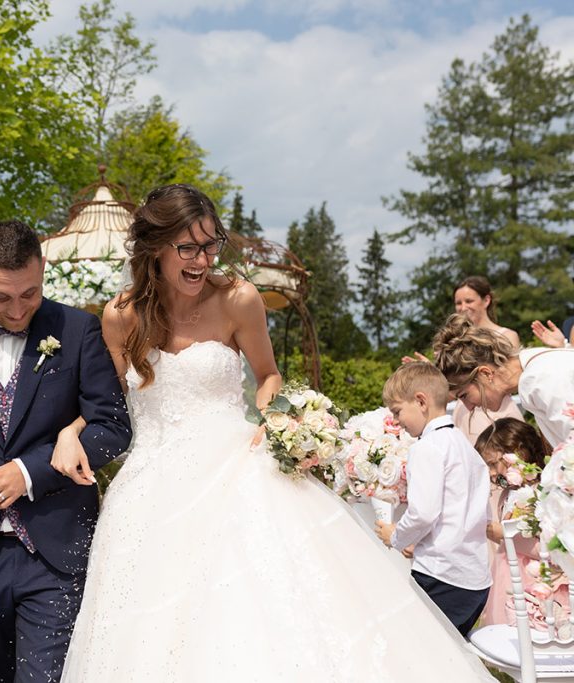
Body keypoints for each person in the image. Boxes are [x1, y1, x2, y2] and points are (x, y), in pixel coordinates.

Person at [57, 184, 494, 681]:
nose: (202, 259)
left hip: (236, 465)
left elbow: (267, 376)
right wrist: (72, 431)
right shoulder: (120, 316)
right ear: (154, 248)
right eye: (188, 248)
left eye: (211, 245)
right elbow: (107, 403)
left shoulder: (238, 300)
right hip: (151, 489)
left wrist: (273, 420)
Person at [0, 220, 132, 682]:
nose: (17, 310)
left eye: (30, 294)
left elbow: (114, 426)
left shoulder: (78, 331)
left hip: (55, 554)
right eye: (1, 297)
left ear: (42, 270)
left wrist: (30, 472)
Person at [375, 362, 492, 637]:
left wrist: (396, 536)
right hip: (475, 580)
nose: (396, 421)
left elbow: (424, 513)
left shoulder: (427, 448)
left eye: (397, 411)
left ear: (421, 401)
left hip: (441, 576)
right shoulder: (463, 445)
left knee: (420, 649)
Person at [473, 418, 568, 629]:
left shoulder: (541, 493)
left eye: (492, 463)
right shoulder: (506, 495)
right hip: (509, 571)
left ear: (520, 453)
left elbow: (544, 540)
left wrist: (508, 538)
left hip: (536, 575)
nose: (489, 472)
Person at [434, 313, 574, 448]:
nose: (469, 407)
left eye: (464, 395)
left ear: (485, 373)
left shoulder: (535, 380)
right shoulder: (537, 364)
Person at [445, 276, 524, 444]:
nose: (463, 307)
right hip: (466, 410)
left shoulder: (506, 335)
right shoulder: (454, 343)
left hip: (498, 411)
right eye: (458, 303)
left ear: (486, 300)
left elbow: (511, 382)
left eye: (469, 301)